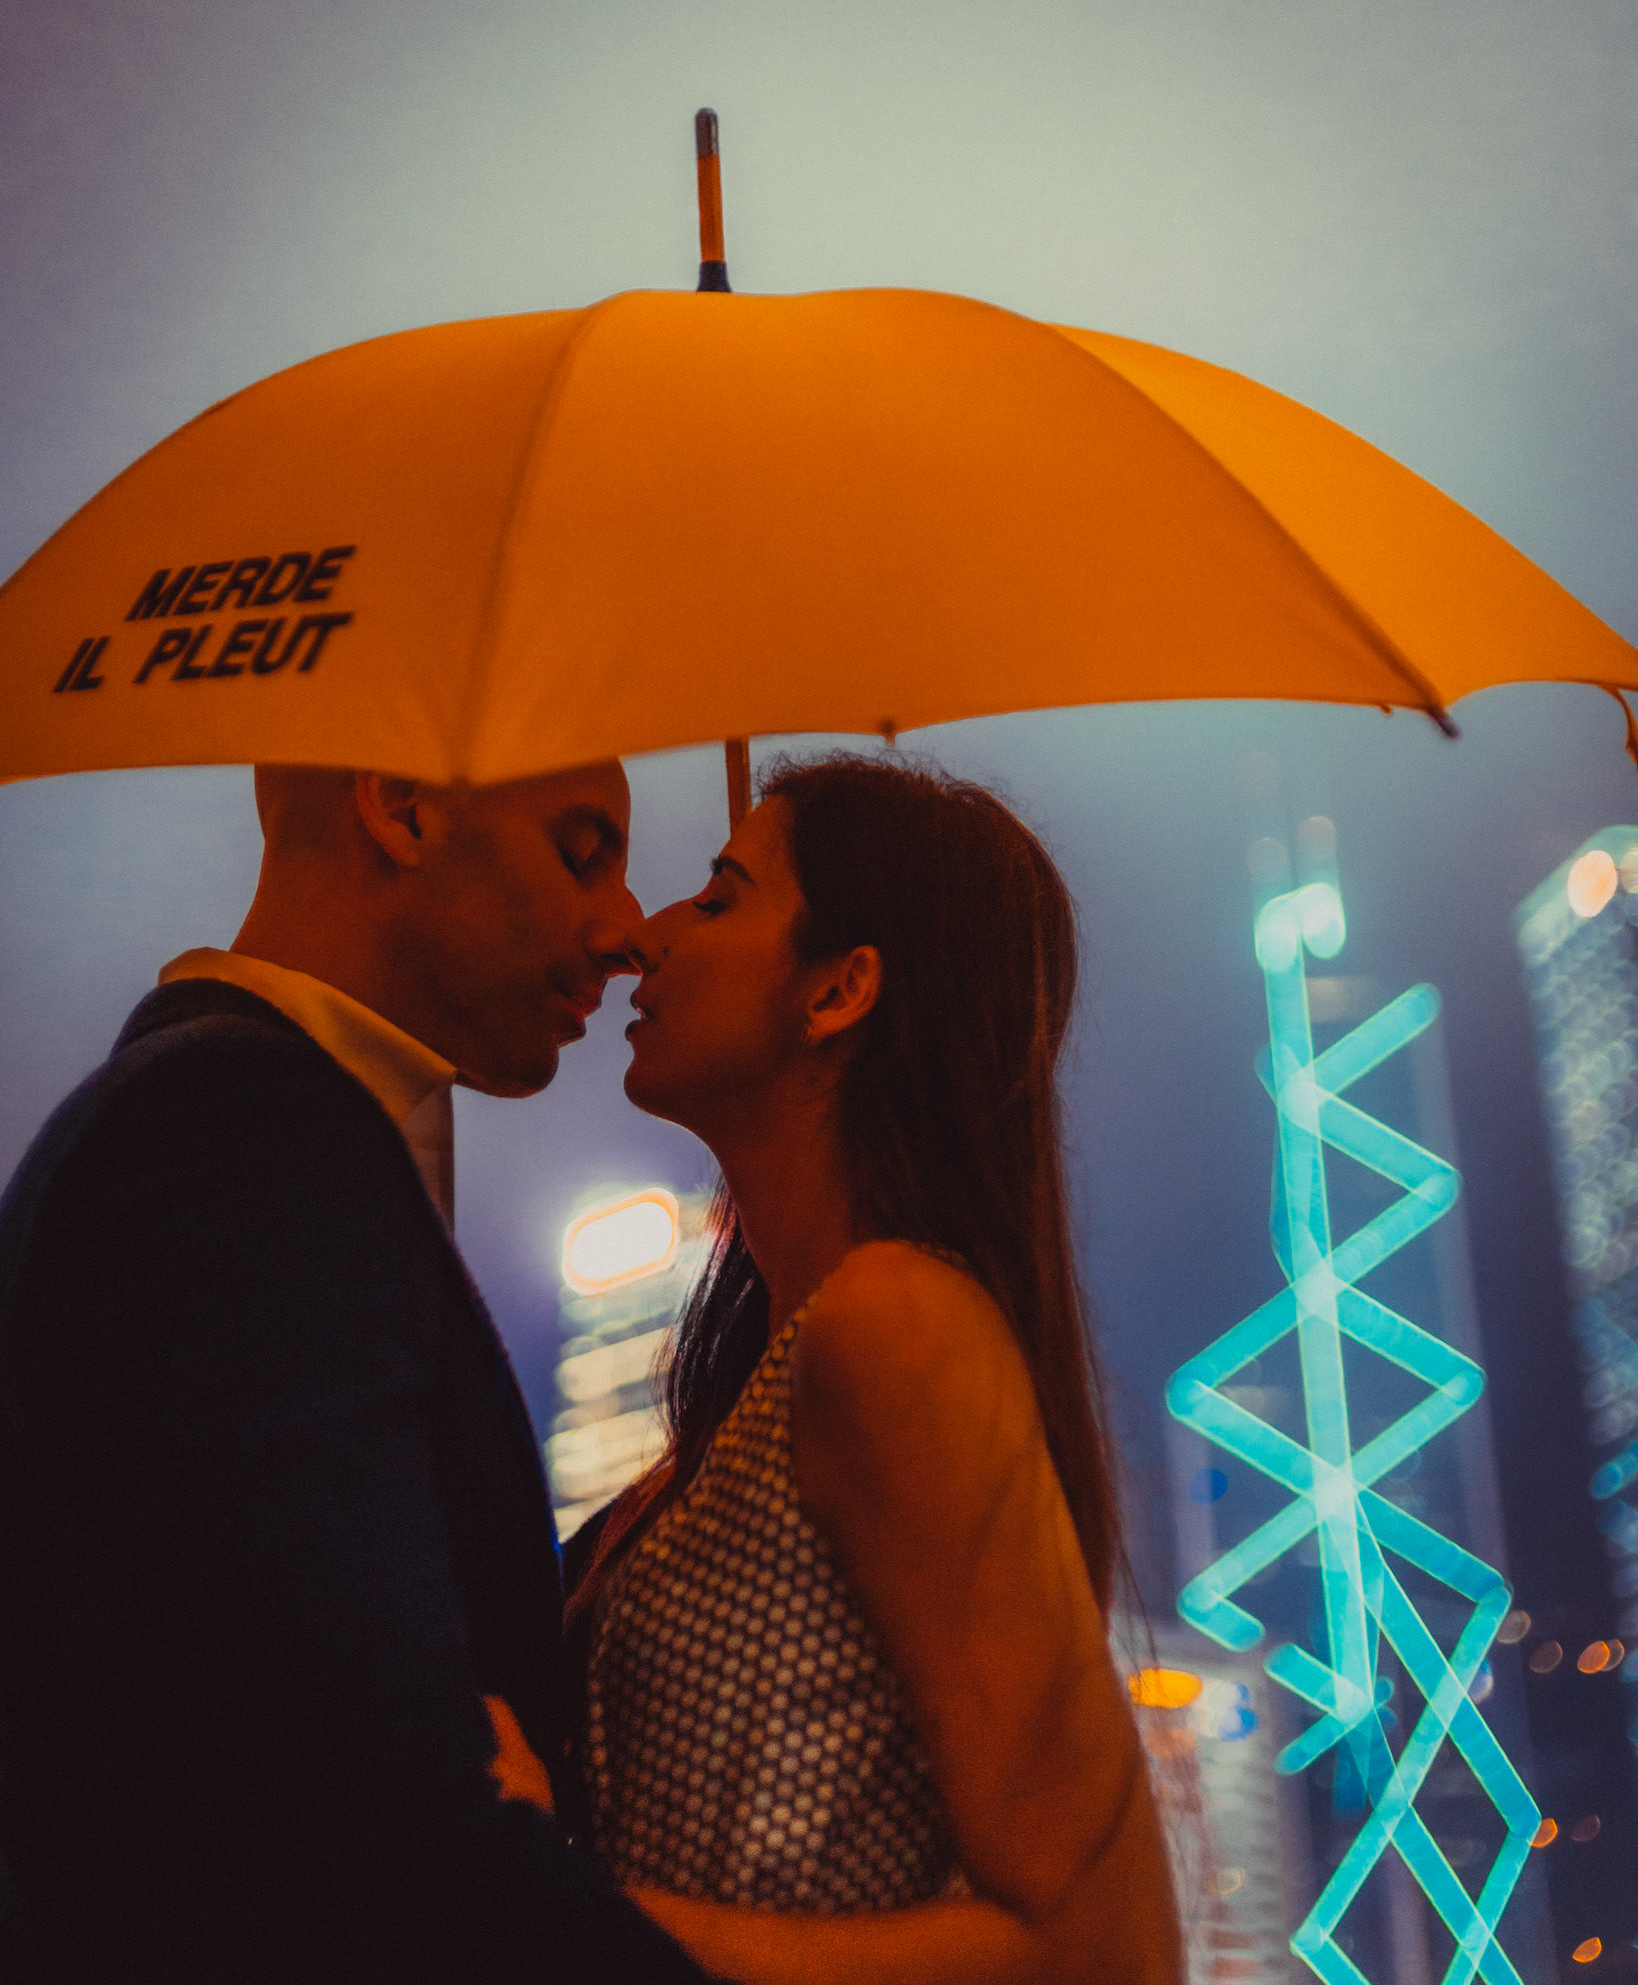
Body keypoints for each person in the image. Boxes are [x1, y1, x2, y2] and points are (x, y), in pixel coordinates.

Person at [0, 764, 719, 1984]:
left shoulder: (226, 1117)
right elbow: (382, 1826)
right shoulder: (239, 1134)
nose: (627, 931)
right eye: (581, 848)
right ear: (402, 806)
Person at [565, 753, 1183, 1985]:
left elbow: (1097, 1949)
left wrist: (566, 1913)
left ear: (840, 990)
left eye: (722, 894)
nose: (647, 935)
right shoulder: (781, 1369)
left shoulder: (896, 1324)